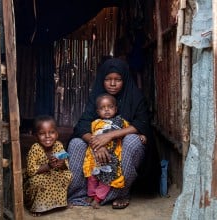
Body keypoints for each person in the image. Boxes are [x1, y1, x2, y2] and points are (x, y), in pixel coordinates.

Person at [68, 57, 155, 209]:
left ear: (125, 79)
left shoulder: (135, 97)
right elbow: (82, 124)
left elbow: (142, 124)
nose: (113, 84)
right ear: (102, 79)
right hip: (97, 149)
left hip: (121, 148)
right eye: (108, 79)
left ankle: (121, 192)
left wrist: (109, 136)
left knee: (133, 141)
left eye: (118, 79)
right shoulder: (96, 97)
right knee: (76, 143)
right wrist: (96, 143)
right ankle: (81, 193)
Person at [83, 93, 147, 209]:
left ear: (116, 109)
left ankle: (98, 199)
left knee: (107, 180)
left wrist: (140, 135)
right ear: (97, 112)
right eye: (102, 108)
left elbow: (130, 130)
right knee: (92, 177)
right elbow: (87, 134)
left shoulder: (121, 122)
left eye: (110, 107)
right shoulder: (94, 123)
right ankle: (90, 195)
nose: (106, 110)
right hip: (94, 157)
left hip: (111, 158)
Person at [23, 115, 72, 216]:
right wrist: (48, 166)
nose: (47, 136)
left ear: (57, 134)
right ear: (35, 136)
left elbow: (65, 165)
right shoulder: (35, 148)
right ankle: (37, 207)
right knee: (36, 181)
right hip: (39, 175)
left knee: (67, 175)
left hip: (54, 174)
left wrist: (61, 164)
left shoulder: (58, 145)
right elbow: (31, 171)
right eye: (42, 133)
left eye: (52, 132)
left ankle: (58, 203)